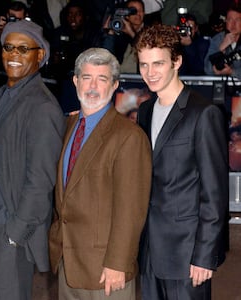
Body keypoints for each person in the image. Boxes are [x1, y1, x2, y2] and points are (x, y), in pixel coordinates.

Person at [0, 19, 66, 300]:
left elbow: (41, 180)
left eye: (23, 49)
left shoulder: (43, 106)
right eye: (8, 47)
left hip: (7, 233)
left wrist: (15, 233)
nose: (13, 55)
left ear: (40, 55)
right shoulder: (1, 93)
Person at [48, 47, 152, 299]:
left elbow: (131, 208)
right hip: (67, 261)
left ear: (115, 84)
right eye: (86, 77)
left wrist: (118, 262)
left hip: (106, 269)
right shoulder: (68, 125)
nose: (93, 86)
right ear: (75, 81)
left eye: (102, 79)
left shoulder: (128, 137)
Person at [135, 24, 229, 300]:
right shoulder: (145, 110)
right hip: (150, 251)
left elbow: (215, 193)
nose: (149, 73)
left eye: (157, 64)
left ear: (176, 61)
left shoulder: (203, 113)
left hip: (187, 253)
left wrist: (204, 255)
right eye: (143, 65)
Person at [204, 2, 241, 79]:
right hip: (222, 86)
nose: (233, 24)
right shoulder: (218, 39)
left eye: (237, 20)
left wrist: (232, 72)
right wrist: (221, 48)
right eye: (230, 20)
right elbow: (208, 69)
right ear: (226, 22)